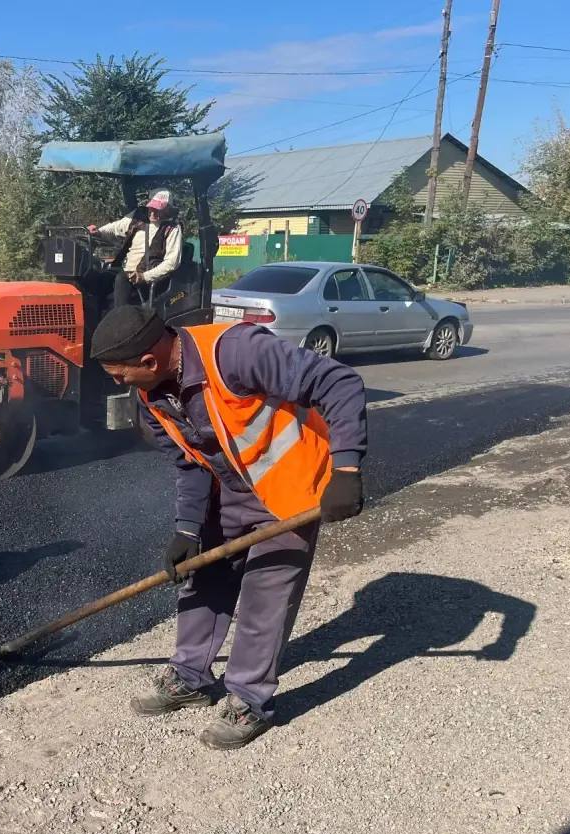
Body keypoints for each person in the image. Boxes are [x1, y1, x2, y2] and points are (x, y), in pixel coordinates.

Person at [91, 305, 367, 749]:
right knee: (203, 578)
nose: (117, 383)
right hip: (231, 488)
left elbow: (339, 382)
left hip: (290, 489)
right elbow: (189, 463)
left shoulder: (236, 351)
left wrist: (347, 469)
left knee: (264, 597)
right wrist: (187, 530)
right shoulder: (151, 396)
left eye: (119, 374)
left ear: (148, 360)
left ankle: (249, 700)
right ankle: (190, 677)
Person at [88, 190, 183, 308]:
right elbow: (116, 227)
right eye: (152, 208)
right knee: (97, 278)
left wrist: (145, 276)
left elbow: (172, 263)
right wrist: (98, 232)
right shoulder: (138, 217)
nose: (153, 212)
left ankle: (120, 318)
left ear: (168, 209)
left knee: (121, 279)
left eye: (158, 209)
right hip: (126, 270)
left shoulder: (173, 229)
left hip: (146, 276)